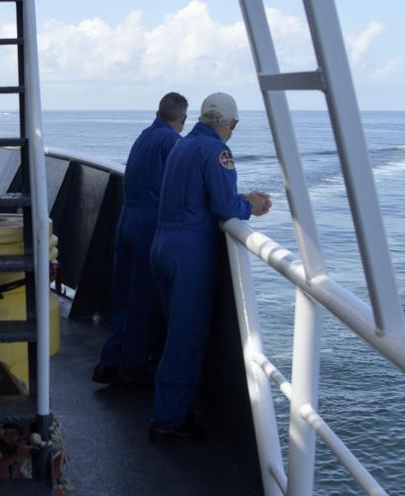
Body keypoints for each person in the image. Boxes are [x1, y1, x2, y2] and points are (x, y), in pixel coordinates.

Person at [148, 92, 271, 443]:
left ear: (202, 118)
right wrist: (252, 207)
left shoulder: (182, 146)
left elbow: (198, 195)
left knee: (173, 332)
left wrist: (241, 199)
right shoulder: (218, 152)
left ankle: (169, 407)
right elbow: (222, 207)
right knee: (185, 340)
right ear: (230, 124)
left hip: (162, 246)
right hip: (189, 253)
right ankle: (169, 420)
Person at [93, 92, 188, 390]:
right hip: (149, 226)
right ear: (182, 120)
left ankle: (109, 361)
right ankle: (132, 367)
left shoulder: (144, 137)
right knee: (142, 301)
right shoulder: (172, 142)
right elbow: (185, 187)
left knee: (123, 298)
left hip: (127, 221)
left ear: (158, 112)